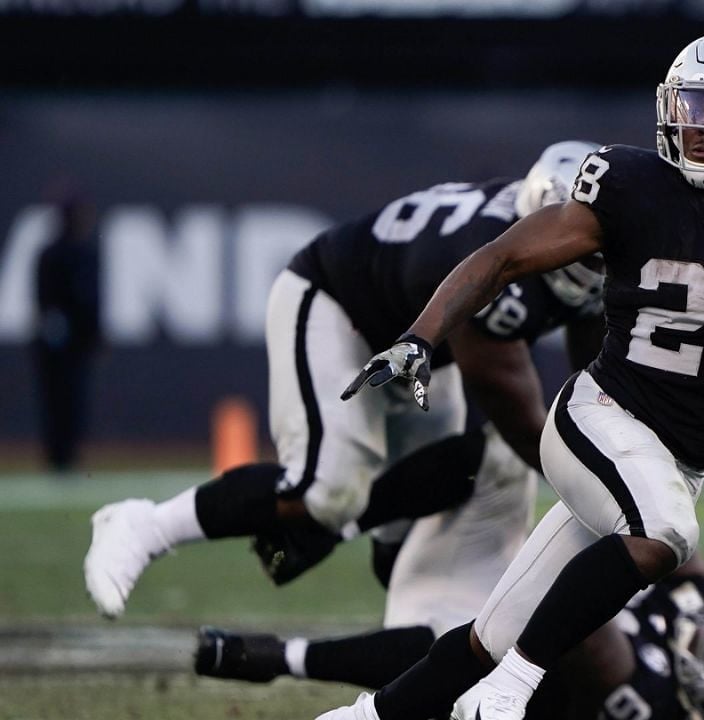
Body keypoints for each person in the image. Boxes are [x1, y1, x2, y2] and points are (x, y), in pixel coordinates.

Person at [329, 30, 704, 720]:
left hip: (677, 456)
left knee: (492, 635)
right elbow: (501, 257)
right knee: (665, 534)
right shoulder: (631, 183)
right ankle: (506, 697)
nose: (703, 125)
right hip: (601, 416)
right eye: (692, 105)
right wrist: (421, 336)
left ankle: (366, 717)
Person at [83, 142, 606, 638]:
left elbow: (595, 375)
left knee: (422, 510)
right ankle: (145, 526)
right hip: (341, 309)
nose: (586, 257)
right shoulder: (490, 259)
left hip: (420, 349)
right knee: (326, 492)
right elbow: (515, 413)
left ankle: (408, 641)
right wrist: (605, 491)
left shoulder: (580, 256)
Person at [194, 553, 704, 720]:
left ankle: (282, 658)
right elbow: (682, 550)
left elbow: (592, 640)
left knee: (459, 648)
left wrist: (603, 572)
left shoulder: (654, 701)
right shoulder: (702, 616)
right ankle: (283, 656)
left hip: (512, 695)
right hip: (524, 623)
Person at [33, 192, 102, 472]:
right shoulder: (52, 254)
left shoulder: (86, 253)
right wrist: (53, 329)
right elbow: (43, 300)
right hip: (56, 343)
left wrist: (93, 333)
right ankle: (57, 453)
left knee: (75, 400)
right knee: (56, 399)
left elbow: (93, 300)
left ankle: (69, 451)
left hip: (78, 343)